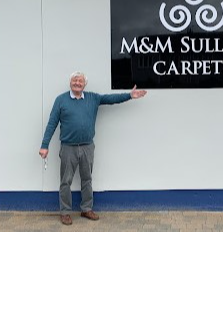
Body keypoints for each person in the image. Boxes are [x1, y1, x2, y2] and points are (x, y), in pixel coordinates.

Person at [40, 71, 147, 224]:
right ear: (70, 82)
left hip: (87, 147)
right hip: (68, 147)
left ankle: (86, 209)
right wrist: (44, 145)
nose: (77, 83)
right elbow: (52, 123)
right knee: (65, 181)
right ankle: (65, 212)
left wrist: (129, 95)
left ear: (85, 84)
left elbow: (111, 99)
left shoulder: (93, 98)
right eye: (75, 80)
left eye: (80, 81)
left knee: (87, 179)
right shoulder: (61, 100)